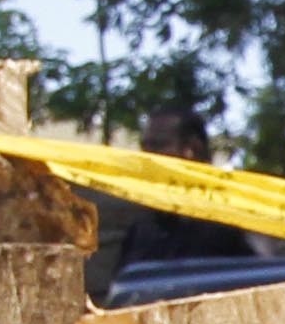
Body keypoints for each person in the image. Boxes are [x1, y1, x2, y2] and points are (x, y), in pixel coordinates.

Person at [88, 98, 267, 287]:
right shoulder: (143, 228)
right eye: (145, 147)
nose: (147, 157)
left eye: (158, 145)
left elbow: (264, 283)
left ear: (192, 150)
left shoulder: (236, 216)